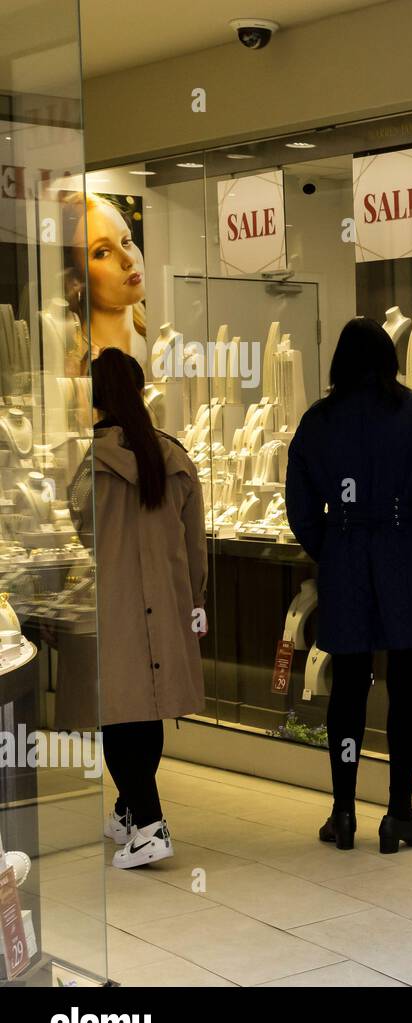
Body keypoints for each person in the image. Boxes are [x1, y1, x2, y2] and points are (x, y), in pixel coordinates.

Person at [286, 316, 412, 854]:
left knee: (348, 689)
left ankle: (343, 812)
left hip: (347, 558)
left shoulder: (317, 421)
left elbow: (299, 508)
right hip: (407, 553)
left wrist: (334, 546)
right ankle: (399, 814)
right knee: (408, 689)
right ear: (391, 361)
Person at [67, 348, 207, 869]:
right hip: (166, 604)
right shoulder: (172, 456)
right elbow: (195, 544)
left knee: (118, 713)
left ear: (95, 397)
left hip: (113, 605)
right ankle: (129, 811)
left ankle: (150, 825)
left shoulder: (88, 463)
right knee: (146, 708)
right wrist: (194, 599)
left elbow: (79, 530)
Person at [60, 192, 148, 366]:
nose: (129, 260)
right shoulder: (77, 363)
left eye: (126, 241)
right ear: (76, 277)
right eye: (102, 253)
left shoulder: (156, 346)